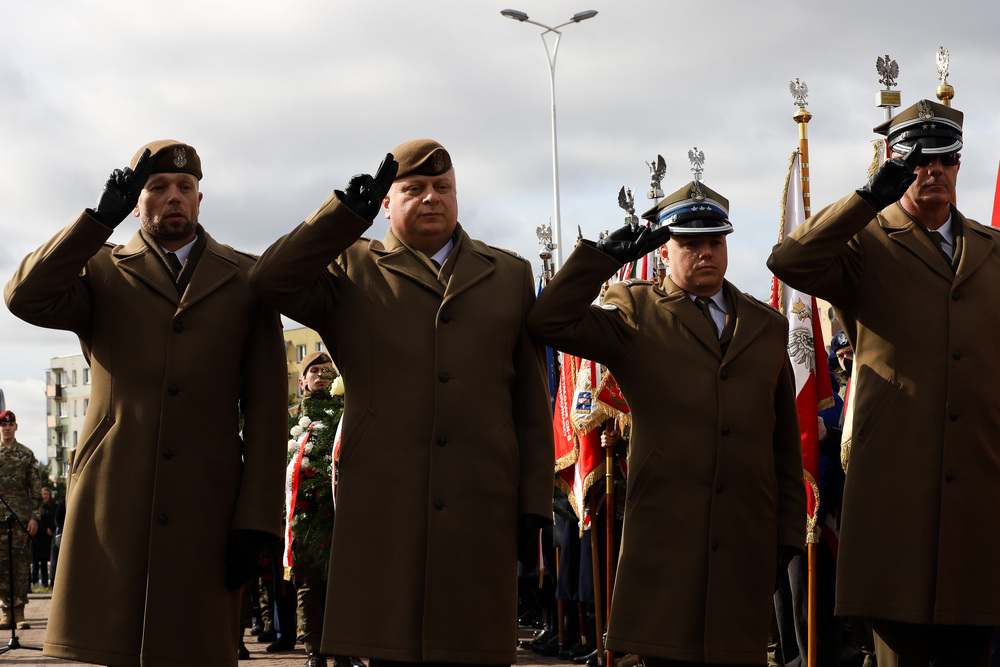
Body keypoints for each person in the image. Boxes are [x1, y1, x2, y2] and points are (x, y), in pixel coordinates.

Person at [249, 138, 556, 666]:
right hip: (386, 508)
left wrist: (532, 503)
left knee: (475, 651)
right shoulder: (349, 267)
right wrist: (344, 215)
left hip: (480, 505)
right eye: (414, 189)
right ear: (386, 204)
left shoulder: (507, 274)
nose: (432, 198)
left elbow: (530, 403)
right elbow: (270, 280)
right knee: (392, 651)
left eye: (443, 187)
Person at [4, 140, 288, 666]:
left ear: (201, 199)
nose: (172, 197)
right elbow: (25, 296)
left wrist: (259, 519)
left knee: (199, 649)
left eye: (185, 188)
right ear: (137, 201)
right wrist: (96, 220)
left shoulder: (247, 278)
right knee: (115, 646)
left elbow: (270, 413)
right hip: (115, 497)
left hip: (210, 500)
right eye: (156, 188)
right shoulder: (99, 268)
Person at [527, 179, 806, 667]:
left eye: (714, 242)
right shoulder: (636, 311)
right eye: (689, 243)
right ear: (664, 249)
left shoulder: (766, 326)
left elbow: (782, 444)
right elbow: (548, 320)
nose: (705, 254)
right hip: (667, 544)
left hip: (744, 542)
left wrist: (785, 535)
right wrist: (604, 256)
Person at [768, 98, 1000, 666]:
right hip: (898, 498)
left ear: (959, 163)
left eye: (943, 158)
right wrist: (869, 196)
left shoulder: (994, 251)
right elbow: (790, 262)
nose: (932, 171)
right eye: (917, 161)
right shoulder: (865, 243)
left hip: (979, 498)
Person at [0, 410, 42, 630]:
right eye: (3, 425)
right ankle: (6, 612)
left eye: (11, 425)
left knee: (20, 566)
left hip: (20, 520)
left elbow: (36, 489)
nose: (7, 428)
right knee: (1, 567)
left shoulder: (26, 454)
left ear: (16, 427)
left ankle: (19, 613)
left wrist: (35, 518)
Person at [31, 487, 56, 587]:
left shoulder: (53, 507)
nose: (46, 496)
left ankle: (45, 582)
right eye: (44, 494)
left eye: (47, 494)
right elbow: (36, 521)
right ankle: (34, 581)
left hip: (48, 538)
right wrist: (45, 529)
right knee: (35, 562)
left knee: (45, 562)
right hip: (38, 537)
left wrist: (51, 529)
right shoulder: (37, 508)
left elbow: (55, 519)